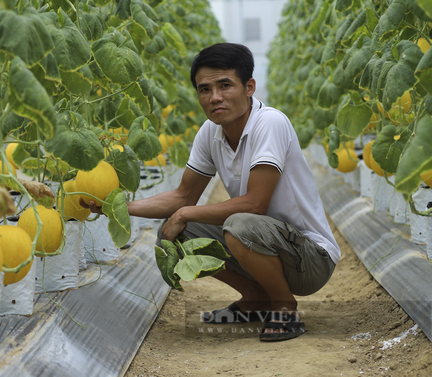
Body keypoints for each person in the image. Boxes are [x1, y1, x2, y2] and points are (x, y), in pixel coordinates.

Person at [83, 42, 340, 342]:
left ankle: (284, 306)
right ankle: (255, 298)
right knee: (176, 231)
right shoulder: (210, 132)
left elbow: (255, 204)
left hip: (310, 259)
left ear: (249, 87)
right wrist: (116, 207)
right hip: (272, 244)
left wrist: (185, 212)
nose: (214, 97)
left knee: (238, 224)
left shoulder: (269, 122)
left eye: (225, 85)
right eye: (205, 89)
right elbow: (181, 196)